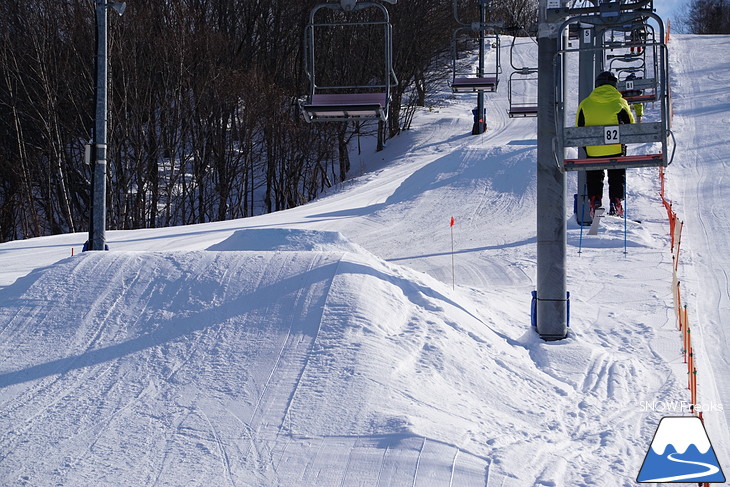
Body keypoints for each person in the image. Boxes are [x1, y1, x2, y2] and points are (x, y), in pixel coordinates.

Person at [576, 70, 635, 217]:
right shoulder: (620, 102)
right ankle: (616, 200)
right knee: (617, 171)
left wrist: (588, 147)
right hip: (615, 149)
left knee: (594, 171)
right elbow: (631, 126)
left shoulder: (585, 103)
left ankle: (595, 199)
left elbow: (579, 128)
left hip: (593, 152)